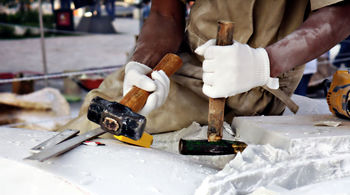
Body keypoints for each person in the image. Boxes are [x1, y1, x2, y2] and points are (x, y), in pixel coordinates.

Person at [63, 0, 350, 136]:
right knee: (97, 107)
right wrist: (140, 65)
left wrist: (263, 64)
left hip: (253, 83)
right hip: (187, 62)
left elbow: (339, 13)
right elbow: (165, 13)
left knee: (101, 134)